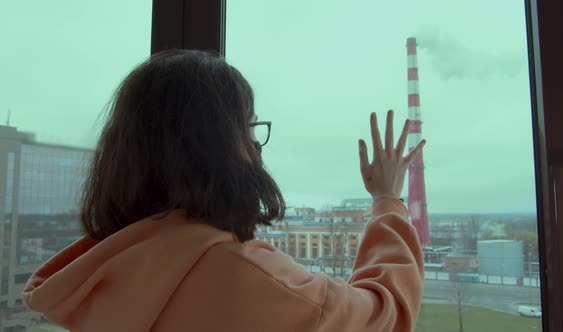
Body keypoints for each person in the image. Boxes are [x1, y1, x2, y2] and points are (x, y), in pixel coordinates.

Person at [22, 50, 426, 332]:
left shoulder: (102, 279)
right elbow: (385, 317)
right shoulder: (251, 281)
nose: (255, 144)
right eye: (248, 127)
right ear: (211, 145)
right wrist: (387, 200)